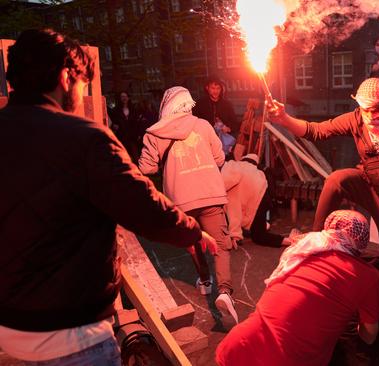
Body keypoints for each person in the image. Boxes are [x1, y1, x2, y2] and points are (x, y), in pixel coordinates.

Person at [0, 29, 216, 365]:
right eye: (83, 82)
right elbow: (142, 205)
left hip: (9, 326)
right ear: (65, 77)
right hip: (71, 332)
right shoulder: (84, 138)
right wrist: (190, 232)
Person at [267, 77, 379, 260]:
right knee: (337, 179)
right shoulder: (357, 119)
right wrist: (284, 118)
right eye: (365, 110)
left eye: (374, 111)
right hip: (367, 184)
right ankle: (316, 237)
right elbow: (317, 131)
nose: (368, 117)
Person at [216, 210, 379, 366]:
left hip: (240, 347)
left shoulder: (302, 251)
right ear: (362, 241)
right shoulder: (368, 276)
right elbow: (369, 336)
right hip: (292, 360)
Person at [138, 86, 238, 322]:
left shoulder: (154, 133)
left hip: (180, 199)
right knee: (221, 244)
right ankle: (224, 291)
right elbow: (219, 157)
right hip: (210, 192)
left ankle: (205, 280)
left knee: (194, 240)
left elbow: (146, 168)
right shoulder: (203, 126)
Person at [221, 153, 297, 247]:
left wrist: (235, 235)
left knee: (256, 234)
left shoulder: (233, 165)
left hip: (247, 202)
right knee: (259, 234)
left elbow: (224, 185)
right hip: (261, 201)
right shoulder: (259, 173)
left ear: (242, 159)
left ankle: (236, 237)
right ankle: (288, 241)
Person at [192, 77, 238, 156]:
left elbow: (235, 123)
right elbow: (194, 121)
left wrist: (228, 128)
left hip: (223, 144)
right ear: (207, 88)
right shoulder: (200, 104)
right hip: (205, 142)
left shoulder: (227, 104)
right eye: (213, 88)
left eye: (218, 88)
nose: (216, 91)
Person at [109, 90, 142, 159]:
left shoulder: (133, 109)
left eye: (125, 96)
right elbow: (112, 122)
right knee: (124, 156)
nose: (124, 98)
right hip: (122, 136)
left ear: (128, 98)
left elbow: (137, 122)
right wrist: (114, 126)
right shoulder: (116, 110)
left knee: (135, 155)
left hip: (132, 136)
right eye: (122, 97)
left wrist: (138, 134)